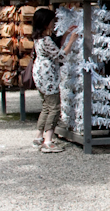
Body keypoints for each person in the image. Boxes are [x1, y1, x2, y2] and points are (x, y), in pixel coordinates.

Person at [30, 8, 78, 153]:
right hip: (48, 77)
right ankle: (48, 140)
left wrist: (65, 35)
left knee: (46, 106)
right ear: (46, 23)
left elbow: (54, 47)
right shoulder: (45, 40)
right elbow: (61, 56)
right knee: (54, 107)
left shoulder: (38, 38)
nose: (53, 23)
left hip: (40, 75)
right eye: (52, 21)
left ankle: (39, 136)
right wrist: (71, 41)